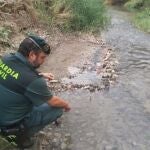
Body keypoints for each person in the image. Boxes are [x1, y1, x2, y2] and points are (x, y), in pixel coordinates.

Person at [0, 35, 71, 148]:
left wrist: (41, 74)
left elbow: (17, 75)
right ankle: (23, 136)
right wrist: (66, 105)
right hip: (10, 125)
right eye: (42, 57)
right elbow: (53, 102)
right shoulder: (34, 82)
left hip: (3, 112)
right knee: (58, 108)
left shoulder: (6, 58)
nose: (43, 61)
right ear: (32, 55)